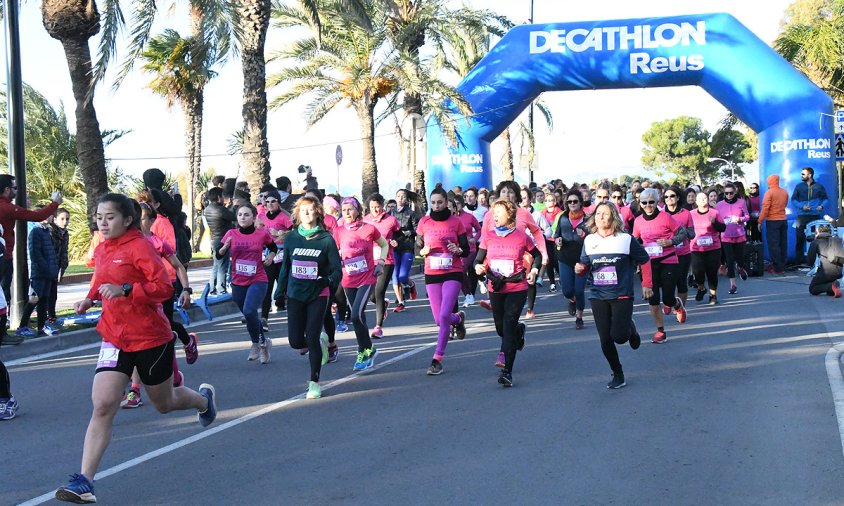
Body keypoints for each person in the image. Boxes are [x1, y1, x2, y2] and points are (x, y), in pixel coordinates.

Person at [54, 194, 216, 504]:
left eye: (109, 217)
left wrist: (127, 289)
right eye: (99, 216)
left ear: (127, 219)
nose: (102, 222)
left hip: (150, 338)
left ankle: (203, 400)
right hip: (114, 336)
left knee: (164, 403)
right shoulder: (103, 248)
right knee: (102, 404)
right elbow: (101, 278)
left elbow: (164, 287)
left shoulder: (141, 246)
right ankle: (85, 481)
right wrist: (90, 298)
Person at [576, 202, 649, 389]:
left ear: (614, 217)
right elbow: (584, 265)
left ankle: (629, 329)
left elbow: (645, 260)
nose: (601, 217)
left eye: (605, 214)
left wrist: (647, 285)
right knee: (605, 339)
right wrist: (580, 268)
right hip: (597, 295)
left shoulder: (625, 239)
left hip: (621, 294)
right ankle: (618, 373)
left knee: (619, 337)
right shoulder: (589, 240)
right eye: (598, 213)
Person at [276, 195, 342, 399]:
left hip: (318, 294)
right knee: (296, 341)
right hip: (296, 293)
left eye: (310, 209)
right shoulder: (292, 238)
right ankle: (322, 343)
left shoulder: (326, 239)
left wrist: (327, 280)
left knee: (311, 337)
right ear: (297, 214)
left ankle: (314, 382)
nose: (306, 213)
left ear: (317, 212)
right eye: (302, 210)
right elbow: (286, 266)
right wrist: (279, 292)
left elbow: (337, 271)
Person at [475, 200, 541, 386]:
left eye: (499, 212)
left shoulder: (521, 236)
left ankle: (506, 370)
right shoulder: (488, 236)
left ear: (510, 215)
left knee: (509, 323)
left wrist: (534, 271)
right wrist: (478, 267)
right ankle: (519, 332)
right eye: (493, 213)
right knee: (501, 328)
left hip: (517, 286)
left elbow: (537, 255)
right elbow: (478, 260)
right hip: (496, 286)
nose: (494, 216)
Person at [417, 187, 470, 375]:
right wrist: (422, 251)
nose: (436, 206)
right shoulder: (424, 222)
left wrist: (458, 250)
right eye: (433, 202)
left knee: (444, 315)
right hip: (432, 273)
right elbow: (419, 246)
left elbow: (466, 249)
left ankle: (437, 359)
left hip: (452, 272)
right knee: (440, 320)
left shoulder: (456, 222)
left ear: (446, 202)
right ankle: (459, 318)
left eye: (440, 202)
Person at [217, 203, 278, 363]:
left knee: (250, 310)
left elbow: (273, 247)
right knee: (249, 315)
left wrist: (271, 256)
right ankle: (265, 343)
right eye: (240, 215)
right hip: (238, 281)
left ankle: (255, 344)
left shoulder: (261, 234)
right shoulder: (231, 233)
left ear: (253, 217)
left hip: (257, 278)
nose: (243, 217)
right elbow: (218, 254)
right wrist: (223, 249)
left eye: (246, 215)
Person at [334, 197, 388, 370]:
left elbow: (384, 245)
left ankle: (366, 349)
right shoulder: (339, 231)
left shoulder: (369, 229)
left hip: (367, 277)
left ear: (358, 211)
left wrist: (380, 262)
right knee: (360, 317)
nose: (347, 213)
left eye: (350, 209)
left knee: (356, 315)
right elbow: (334, 252)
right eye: (344, 210)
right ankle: (365, 351)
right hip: (348, 278)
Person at [632, 188, 688, 344]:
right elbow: (635, 240)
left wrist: (670, 241)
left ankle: (676, 304)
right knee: (653, 298)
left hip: (668, 260)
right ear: (640, 203)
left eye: (651, 202)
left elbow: (682, 234)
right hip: (648, 264)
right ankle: (660, 331)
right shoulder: (638, 221)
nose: (648, 205)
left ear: (657, 202)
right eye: (645, 203)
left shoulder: (666, 217)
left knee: (668, 298)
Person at [0, 174, 62, 305]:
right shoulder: (7, 208)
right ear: (6, 189)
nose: (17, 192)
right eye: (15, 188)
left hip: (4, 255)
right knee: (3, 293)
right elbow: (38, 216)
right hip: (4, 258)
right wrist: (55, 203)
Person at [15, 207, 60, 338]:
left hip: (48, 273)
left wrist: (52, 270)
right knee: (34, 299)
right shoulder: (35, 231)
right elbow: (35, 254)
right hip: (39, 273)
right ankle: (22, 326)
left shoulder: (46, 231)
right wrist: (46, 268)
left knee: (44, 300)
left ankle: (42, 327)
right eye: (48, 214)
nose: (51, 217)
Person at [362, 193, 400, 338]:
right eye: (372, 207)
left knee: (379, 291)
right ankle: (383, 304)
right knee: (372, 295)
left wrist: (395, 241)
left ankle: (378, 327)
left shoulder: (391, 220)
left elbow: (400, 235)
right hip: (370, 260)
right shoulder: (365, 221)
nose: (375, 210)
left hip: (386, 260)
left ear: (382, 206)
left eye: (377, 207)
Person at [256, 190, 293, 329]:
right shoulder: (262, 217)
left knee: (286, 287)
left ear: (278, 203)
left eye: (273, 201)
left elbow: (295, 232)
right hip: (269, 254)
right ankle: (264, 319)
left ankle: (293, 316)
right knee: (267, 286)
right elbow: (258, 232)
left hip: (283, 255)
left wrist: (280, 233)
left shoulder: (284, 217)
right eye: (268, 201)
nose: (270, 204)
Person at [554, 189, 590, 330]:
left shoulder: (587, 219)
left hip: (581, 260)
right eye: (569, 202)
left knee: (579, 290)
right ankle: (572, 300)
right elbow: (556, 234)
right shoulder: (562, 217)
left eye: (575, 201)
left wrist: (585, 235)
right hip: (565, 258)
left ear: (580, 203)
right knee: (567, 290)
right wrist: (558, 240)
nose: (572, 204)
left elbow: (593, 238)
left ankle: (579, 317)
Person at [690, 191, 726, 304]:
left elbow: (723, 228)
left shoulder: (715, 213)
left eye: (705, 198)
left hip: (713, 248)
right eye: (700, 199)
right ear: (696, 202)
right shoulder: (691, 214)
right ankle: (701, 288)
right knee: (697, 272)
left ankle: (713, 295)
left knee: (711, 273)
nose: (703, 200)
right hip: (696, 248)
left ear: (708, 200)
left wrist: (715, 222)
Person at [663, 185, 695, 306]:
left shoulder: (686, 213)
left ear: (677, 198)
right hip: (667, 253)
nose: (669, 198)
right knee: (668, 282)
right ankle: (668, 302)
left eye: (672, 196)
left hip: (683, 253)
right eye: (666, 196)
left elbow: (692, 234)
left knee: (681, 282)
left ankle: (681, 308)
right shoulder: (661, 214)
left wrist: (681, 231)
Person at [716, 183, 750, 294]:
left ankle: (740, 267)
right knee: (729, 261)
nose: (729, 195)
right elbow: (717, 219)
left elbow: (747, 216)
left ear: (735, 192)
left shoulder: (741, 202)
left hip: (739, 235)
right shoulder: (720, 204)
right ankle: (733, 285)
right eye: (726, 193)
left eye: (731, 193)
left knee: (740, 258)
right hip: (726, 236)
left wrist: (739, 219)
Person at [791, 166, 828, 266]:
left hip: (815, 216)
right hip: (802, 217)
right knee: (799, 239)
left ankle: (816, 262)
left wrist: (821, 206)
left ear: (810, 175)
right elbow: (793, 200)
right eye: (801, 173)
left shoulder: (819, 186)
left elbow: (825, 199)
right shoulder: (799, 186)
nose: (801, 175)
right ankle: (799, 261)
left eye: (803, 174)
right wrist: (802, 206)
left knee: (817, 240)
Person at [204, 187, 235, 294]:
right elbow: (233, 216)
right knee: (222, 266)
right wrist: (234, 206)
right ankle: (221, 289)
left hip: (214, 239)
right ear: (218, 197)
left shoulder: (208, 209)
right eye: (222, 196)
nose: (223, 198)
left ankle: (212, 288)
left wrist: (227, 207)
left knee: (216, 265)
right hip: (222, 239)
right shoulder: (220, 209)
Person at [391, 189, 418, 312]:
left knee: (402, 276)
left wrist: (410, 232)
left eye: (403, 196)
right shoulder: (390, 214)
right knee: (395, 276)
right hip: (394, 247)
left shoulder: (411, 213)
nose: (400, 198)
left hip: (407, 247)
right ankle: (400, 302)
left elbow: (418, 229)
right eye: (398, 196)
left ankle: (411, 285)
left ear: (407, 199)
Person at [758, 174, 789, 275]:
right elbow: (785, 204)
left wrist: (760, 221)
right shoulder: (784, 192)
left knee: (774, 245)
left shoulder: (769, 193)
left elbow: (765, 208)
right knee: (783, 243)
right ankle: (783, 265)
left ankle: (777, 268)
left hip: (773, 221)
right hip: (783, 220)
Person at [47, 207, 70, 329]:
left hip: (57, 267)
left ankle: (52, 317)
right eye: (62, 219)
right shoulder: (50, 231)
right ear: (55, 219)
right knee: (44, 295)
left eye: (67, 219)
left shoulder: (65, 233)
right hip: (47, 267)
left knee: (53, 294)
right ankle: (47, 319)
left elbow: (64, 252)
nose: (65, 222)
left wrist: (63, 266)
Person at [806, 224, 844, 297]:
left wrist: (809, 266)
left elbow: (810, 261)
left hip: (826, 272)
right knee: (829, 293)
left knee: (813, 289)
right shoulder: (837, 240)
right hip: (838, 272)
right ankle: (832, 286)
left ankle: (831, 286)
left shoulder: (816, 242)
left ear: (818, 232)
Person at [541, 192, 562, 292]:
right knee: (549, 262)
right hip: (547, 240)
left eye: (550, 200)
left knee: (557, 262)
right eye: (546, 201)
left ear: (555, 201)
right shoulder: (542, 213)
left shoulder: (559, 212)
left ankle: (562, 278)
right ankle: (552, 283)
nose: (548, 202)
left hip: (557, 240)